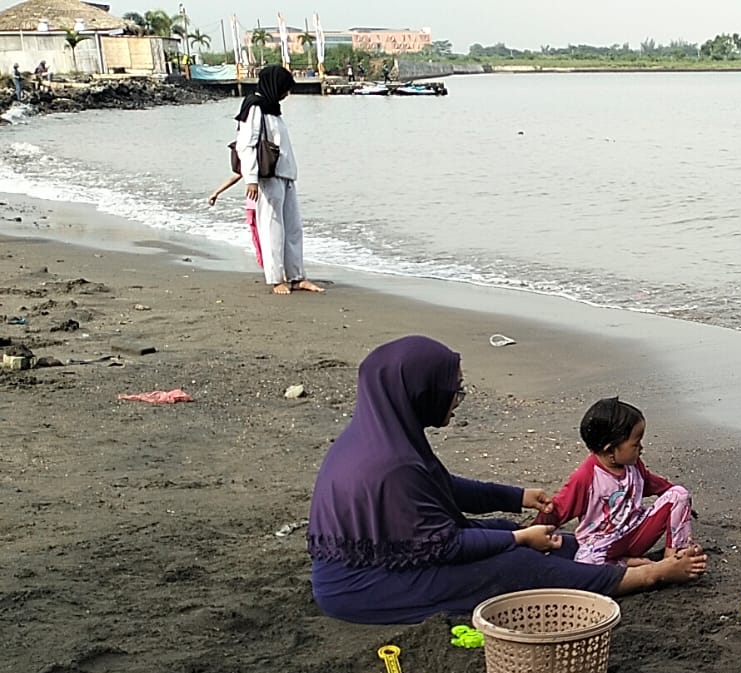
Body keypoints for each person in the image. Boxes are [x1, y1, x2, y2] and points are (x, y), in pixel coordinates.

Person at [308, 337, 707, 624]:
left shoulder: (382, 437)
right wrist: (519, 539)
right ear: (419, 394)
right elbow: (445, 545)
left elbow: (444, 488)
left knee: (521, 537)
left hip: (389, 557)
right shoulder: (392, 465)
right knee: (515, 565)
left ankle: (603, 562)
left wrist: (517, 498)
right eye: (454, 391)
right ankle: (645, 575)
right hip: (369, 584)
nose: (457, 398)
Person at [534, 397, 695, 566]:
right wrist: (531, 534)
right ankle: (630, 564)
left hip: (635, 530)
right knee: (586, 562)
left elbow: (650, 483)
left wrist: (678, 504)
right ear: (610, 449)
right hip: (602, 543)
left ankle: (674, 557)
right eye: (635, 444)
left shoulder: (633, 465)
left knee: (679, 493)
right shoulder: (586, 477)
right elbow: (558, 510)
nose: (641, 448)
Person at [236, 65, 323, 295]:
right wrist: (251, 179)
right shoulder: (255, 107)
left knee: (293, 228)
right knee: (272, 227)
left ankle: (296, 276)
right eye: (284, 89)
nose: (286, 94)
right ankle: (276, 279)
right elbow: (246, 145)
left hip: (285, 174)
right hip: (268, 176)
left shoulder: (272, 109)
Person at [206, 169, 263, 269]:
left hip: (261, 206)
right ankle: (269, 269)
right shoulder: (252, 162)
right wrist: (216, 193)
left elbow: (236, 177)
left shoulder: (254, 162)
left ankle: (273, 269)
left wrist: (216, 193)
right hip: (254, 206)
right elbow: (235, 177)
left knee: (263, 240)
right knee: (260, 240)